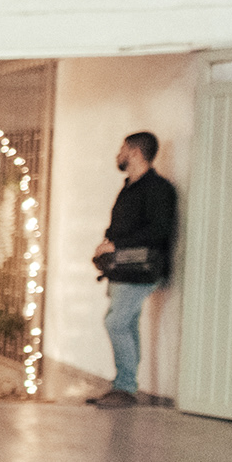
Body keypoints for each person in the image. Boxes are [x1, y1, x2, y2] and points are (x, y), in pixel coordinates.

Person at [87, 130, 178, 408]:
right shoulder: (129, 187)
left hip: (141, 271)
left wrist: (116, 245)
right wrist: (107, 245)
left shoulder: (158, 188)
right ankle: (125, 386)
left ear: (136, 152)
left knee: (115, 323)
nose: (119, 154)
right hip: (122, 270)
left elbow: (159, 230)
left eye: (123, 148)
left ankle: (125, 387)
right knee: (127, 323)